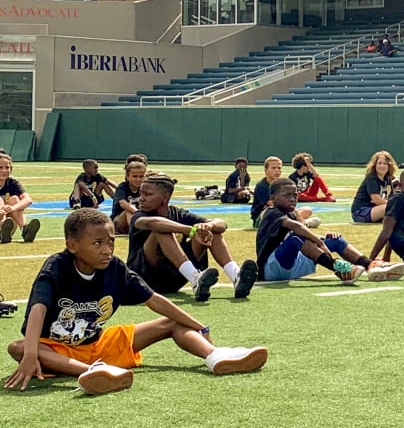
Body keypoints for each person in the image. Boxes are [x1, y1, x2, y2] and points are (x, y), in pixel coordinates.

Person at [4, 209, 267, 395]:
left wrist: (200, 326)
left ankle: (216, 357)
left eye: (110, 242)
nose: (107, 249)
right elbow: (37, 308)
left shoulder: (115, 268)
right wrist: (29, 355)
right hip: (56, 349)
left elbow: (155, 301)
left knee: (170, 323)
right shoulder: (58, 266)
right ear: (72, 245)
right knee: (18, 347)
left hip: (98, 343)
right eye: (97, 243)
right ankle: (95, 373)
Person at [127, 172, 258, 301]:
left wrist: (208, 227)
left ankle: (236, 276)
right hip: (144, 280)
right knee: (161, 231)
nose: (141, 198)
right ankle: (195, 278)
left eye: (148, 194)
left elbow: (222, 224)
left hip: (174, 279)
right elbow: (153, 223)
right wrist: (191, 230)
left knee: (211, 231)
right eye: (141, 194)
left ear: (165, 198)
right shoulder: (139, 216)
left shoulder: (178, 213)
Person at [256, 178, 392, 284]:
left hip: (293, 265)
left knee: (334, 239)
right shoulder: (271, 212)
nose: (292, 199)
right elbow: (297, 229)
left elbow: (304, 233)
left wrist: (322, 239)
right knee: (297, 237)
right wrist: (320, 243)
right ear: (273, 199)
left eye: (295, 195)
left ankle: (370, 265)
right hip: (271, 268)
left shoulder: (292, 213)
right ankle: (339, 269)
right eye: (287, 196)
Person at [251, 156, 317, 229]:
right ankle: (299, 223)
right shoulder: (262, 186)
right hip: (264, 217)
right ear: (266, 170)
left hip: (282, 213)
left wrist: (296, 214)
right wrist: (296, 215)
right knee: (271, 211)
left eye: (279, 168)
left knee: (307, 210)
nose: (277, 170)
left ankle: (298, 223)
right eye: (273, 168)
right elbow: (273, 204)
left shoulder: (281, 184)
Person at [0, 154, 39, 244]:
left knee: (14, 200)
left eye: (7, 167)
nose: (4, 170)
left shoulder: (12, 182)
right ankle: (1, 229)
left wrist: (12, 208)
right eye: (0, 167)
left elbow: (28, 200)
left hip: (9, 225)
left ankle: (25, 230)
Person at [352, 150, 398, 224]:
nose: (382, 166)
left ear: (389, 165)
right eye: (379, 163)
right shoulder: (371, 178)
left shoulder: (388, 179)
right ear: (374, 165)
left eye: (385, 163)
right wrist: (389, 203)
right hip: (361, 211)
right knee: (391, 207)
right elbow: (377, 200)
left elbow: (391, 198)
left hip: (376, 209)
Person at [112, 160, 146, 235]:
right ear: (127, 176)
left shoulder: (144, 187)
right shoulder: (122, 187)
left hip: (139, 218)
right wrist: (138, 213)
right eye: (134, 176)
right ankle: (135, 233)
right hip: (119, 220)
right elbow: (123, 203)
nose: (138, 179)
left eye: (141, 176)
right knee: (129, 210)